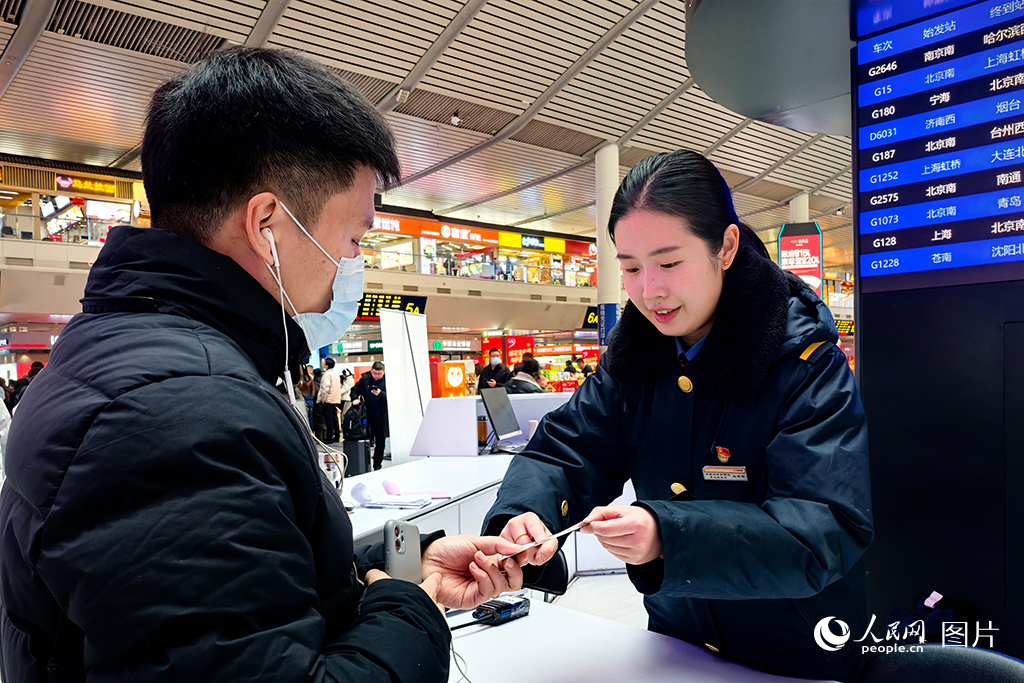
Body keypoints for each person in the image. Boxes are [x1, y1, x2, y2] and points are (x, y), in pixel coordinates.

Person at [0, 47, 527, 683]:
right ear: (268, 224)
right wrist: (411, 610)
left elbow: (232, 603)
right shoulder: (181, 414)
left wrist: (401, 570)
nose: (353, 262)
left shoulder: (125, 353)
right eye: (354, 238)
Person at [482, 150, 872, 682]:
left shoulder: (804, 362)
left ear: (726, 247)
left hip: (797, 651)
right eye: (631, 268)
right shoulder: (636, 359)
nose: (650, 290)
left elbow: (822, 529)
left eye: (669, 263)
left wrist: (668, 534)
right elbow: (565, 450)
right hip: (677, 644)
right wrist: (525, 514)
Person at [351, 361, 388, 470]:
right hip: (367, 415)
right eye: (374, 373)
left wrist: (381, 394)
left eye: (379, 374)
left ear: (383, 372)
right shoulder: (365, 379)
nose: (376, 376)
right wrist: (354, 399)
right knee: (365, 439)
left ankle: (377, 464)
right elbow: (354, 390)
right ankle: (364, 463)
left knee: (380, 440)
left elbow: (394, 396)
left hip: (382, 416)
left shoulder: (388, 380)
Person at [317, 356, 342, 443]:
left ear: (327, 365)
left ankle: (329, 437)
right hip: (335, 399)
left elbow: (325, 388)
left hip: (328, 399)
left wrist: (323, 398)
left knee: (328, 419)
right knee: (335, 418)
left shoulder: (327, 375)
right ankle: (337, 435)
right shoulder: (336, 375)